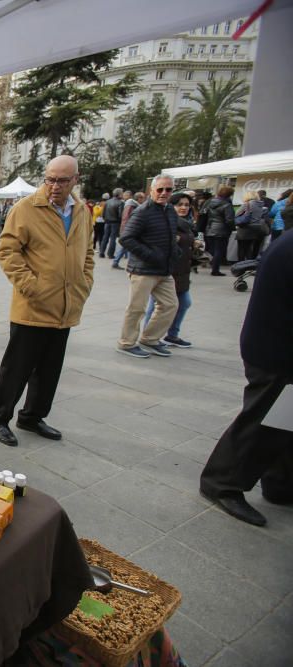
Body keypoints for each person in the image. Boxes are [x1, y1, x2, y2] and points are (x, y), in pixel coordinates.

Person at [0, 156, 94, 447]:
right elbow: (7, 251)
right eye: (49, 179)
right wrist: (30, 286)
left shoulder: (82, 211)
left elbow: (87, 252)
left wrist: (85, 283)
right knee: (17, 368)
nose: (54, 186)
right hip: (32, 307)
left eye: (61, 180)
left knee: (49, 370)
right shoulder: (27, 208)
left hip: (66, 306)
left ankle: (32, 416)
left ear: (75, 180)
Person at [199, 231, 293, 526]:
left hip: (276, 347)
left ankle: (280, 484)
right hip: (277, 351)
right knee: (262, 421)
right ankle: (221, 482)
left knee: (283, 421)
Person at [115, 176, 180, 359]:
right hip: (143, 269)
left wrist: (174, 253)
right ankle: (126, 343)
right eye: (160, 189)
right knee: (137, 308)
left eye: (168, 190)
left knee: (170, 305)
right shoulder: (143, 211)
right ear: (152, 190)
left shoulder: (169, 211)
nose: (164, 193)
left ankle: (150, 339)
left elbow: (171, 235)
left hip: (163, 269)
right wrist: (151, 255)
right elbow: (126, 238)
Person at [142, 192, 198, 348]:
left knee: (184, 302)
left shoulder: (187, 224)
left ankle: (172, 335)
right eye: (179, 204)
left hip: (182, 271)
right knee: (157, 305)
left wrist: (195, 245)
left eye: (187, 205)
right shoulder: (167, 222)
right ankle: (148, 336)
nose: (183, 208)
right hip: (166, 270)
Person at [203, 185, 235, 276]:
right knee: (219, 250)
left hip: (210, 228)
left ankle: (210, 263)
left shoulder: (209, 203)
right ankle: (215, 269)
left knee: (212, 249)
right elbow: (229, 220)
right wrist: (233, 227)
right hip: (221, 230)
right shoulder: (227, 205)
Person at [110, 191, 144, 269]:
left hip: (126, 229)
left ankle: (117, 262)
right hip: (129, 229)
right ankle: (129, 264)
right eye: (143, 198)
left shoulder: (129, 205)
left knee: (125, 247)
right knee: (128, 246)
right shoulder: (132, 206)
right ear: (139, 198)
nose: (144, 200)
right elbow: (128, 219)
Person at [234, 191, 268, 261]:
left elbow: (236, 214)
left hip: (245, 228)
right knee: (249, 248)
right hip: (256, 227)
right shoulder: (261, 205)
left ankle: (240, 266)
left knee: (242, 248)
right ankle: (248, 264)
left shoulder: (247, 204)